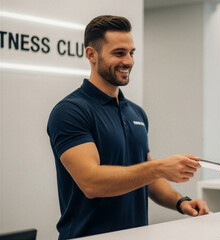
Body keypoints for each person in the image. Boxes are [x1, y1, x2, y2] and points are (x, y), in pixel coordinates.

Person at [47, 15, 209, 240]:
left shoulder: (136, 112)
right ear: (91, 55)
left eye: (131, 53)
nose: (129, 61)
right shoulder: (70, 111)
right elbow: (91, 182)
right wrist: (160, 167)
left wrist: (181, 202)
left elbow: (147, 178)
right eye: (119, 53)